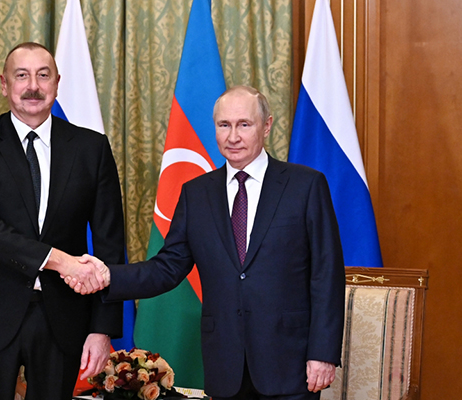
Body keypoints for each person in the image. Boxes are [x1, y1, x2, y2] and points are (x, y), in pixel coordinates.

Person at [69, 86, 345, 400]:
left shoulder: (305, 186)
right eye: (224, 125)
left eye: (244, 124)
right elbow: (167, 267)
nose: (233, 136)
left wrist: (323, 353)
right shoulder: (196, 193)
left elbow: (327, 275)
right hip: (225, 366)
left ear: (266, 126)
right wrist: (108, 275)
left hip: (290, 363)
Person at [0, 42, 124, 400]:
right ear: (4, 84)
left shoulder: (91, 148)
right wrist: (59, 260)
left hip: (64, 320)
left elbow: (110, 243)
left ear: (57, 83)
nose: (33, 86)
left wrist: (102, 329)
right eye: (21, 75)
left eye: (43, 76)